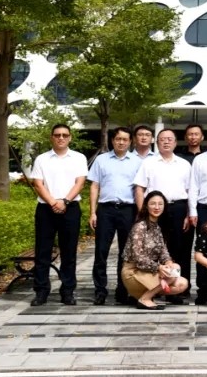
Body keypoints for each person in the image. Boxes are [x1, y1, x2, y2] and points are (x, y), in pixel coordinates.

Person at [29, 123, 88, 307]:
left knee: (69, 252)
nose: (61, 138)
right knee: (42, 251)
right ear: (51, 137)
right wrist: (53, 202)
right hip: (46, 209)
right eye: (57, 135)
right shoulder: (42, 159)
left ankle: (67, 291)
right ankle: (41, 291)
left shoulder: (78, 158)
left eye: (64, 135)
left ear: (70, 137)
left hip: (70, 208)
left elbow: (80, 183)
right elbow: (38, 184)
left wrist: (65, 201)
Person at [133, 127, 193, 297]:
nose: (166, 142)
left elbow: (191, 191)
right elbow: (139, 189)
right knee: (155, 249)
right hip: (156, 210)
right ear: (157, 142)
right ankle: (155, 288)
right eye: (162, 139)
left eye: (169, 139)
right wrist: (143, 213)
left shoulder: (184, 164)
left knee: (180, 249)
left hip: (179, 208)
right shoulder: (148, 163)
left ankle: (179, 289)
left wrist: (188, 214)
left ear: (175, 142)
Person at [87, 126, 139, 306]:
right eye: (118, 139)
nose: (121, 142)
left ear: (130, 142)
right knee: (101, 251)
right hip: (106, 210)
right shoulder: (101, 160)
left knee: (126, 252)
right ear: (112, 140)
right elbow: (94, 186)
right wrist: (92, 212)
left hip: (128, 209)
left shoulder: (137, 161)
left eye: (125, 139)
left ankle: (122, 290)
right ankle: (100, 290)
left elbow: (140, 188)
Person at [121, 190, 188, 310]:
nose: (157, 207)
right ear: (146, 206)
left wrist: (168, 263)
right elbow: (138, 258)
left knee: (180, 280)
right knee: (171, 275)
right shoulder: (140, 226)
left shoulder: (157, 227)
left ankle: (147, 294)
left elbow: (163, 251)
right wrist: (159, 268)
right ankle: (144, 299)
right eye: (153, 204)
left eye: (160, 204)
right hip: (133, 272)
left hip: (148, 271)